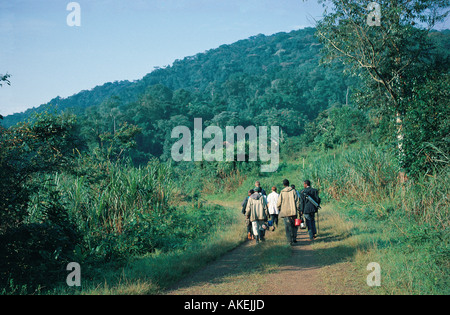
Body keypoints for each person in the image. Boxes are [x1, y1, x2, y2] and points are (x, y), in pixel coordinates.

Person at [277, 179, 300, 246]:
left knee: (287, 227)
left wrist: (279, 208)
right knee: (294, 226)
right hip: (293, 211)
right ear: (289, 183)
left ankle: (289, 240)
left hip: (285, 212)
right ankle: (294, 237)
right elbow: (297, 201)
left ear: (284, 184)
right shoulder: (293, 191)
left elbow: (279, 203)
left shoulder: (282, 192)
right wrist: (298, 208)